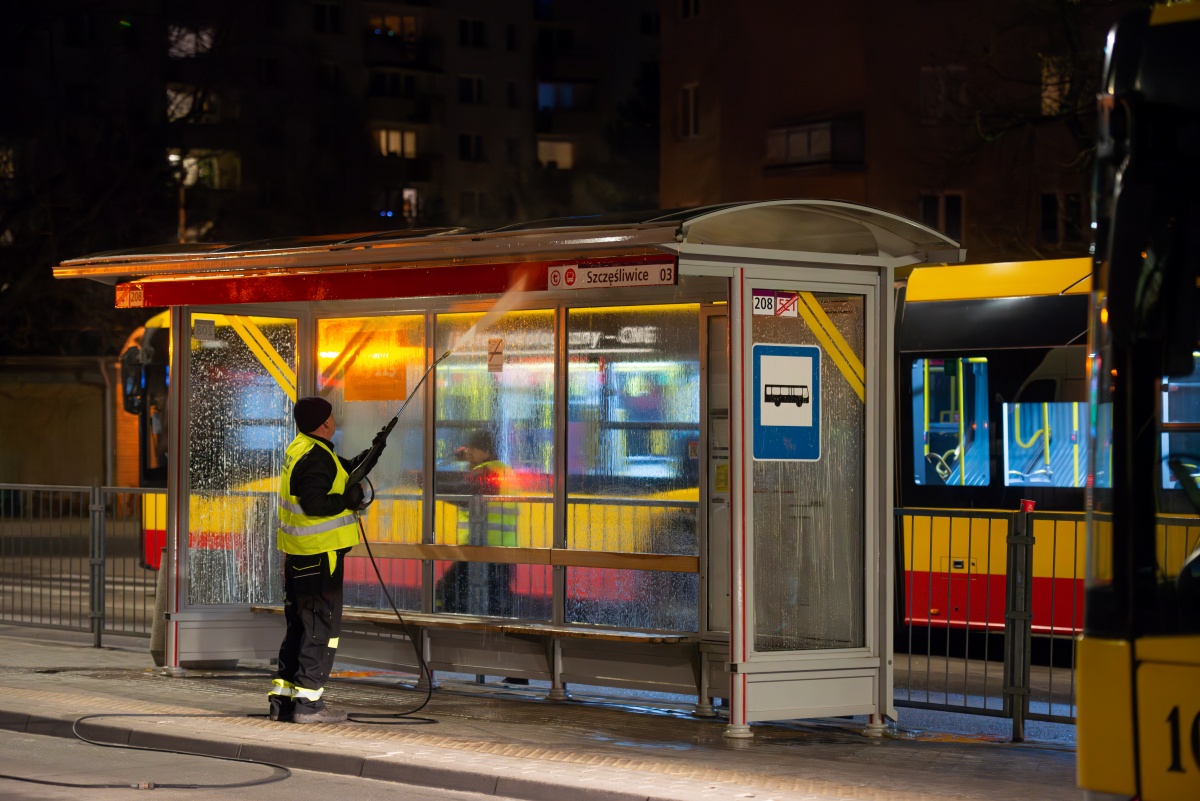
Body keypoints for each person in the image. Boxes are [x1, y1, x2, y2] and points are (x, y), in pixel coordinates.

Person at [268, 396, 385, 724]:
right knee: (321, 629)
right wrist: (349, 500)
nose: (335, 419)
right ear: (325, 422)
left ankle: (284, 700)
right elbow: (316, 502)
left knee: (300, 627)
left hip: (301, 555)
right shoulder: (316, 456)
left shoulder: (303, 447)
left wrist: (374, 452)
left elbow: (341, 471)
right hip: (321, 556)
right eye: (331, 415)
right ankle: (308, 705)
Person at [438, 429, 517, 617]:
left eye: (474, 448)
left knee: (451, 592)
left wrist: (427, 481)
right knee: (494, 596)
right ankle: (498, 629)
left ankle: (454, 628)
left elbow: (464, 490)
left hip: (486, 547)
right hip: (496, 548)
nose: (469, 452)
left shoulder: (489, 471)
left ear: (487, 451)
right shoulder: (501, 469)